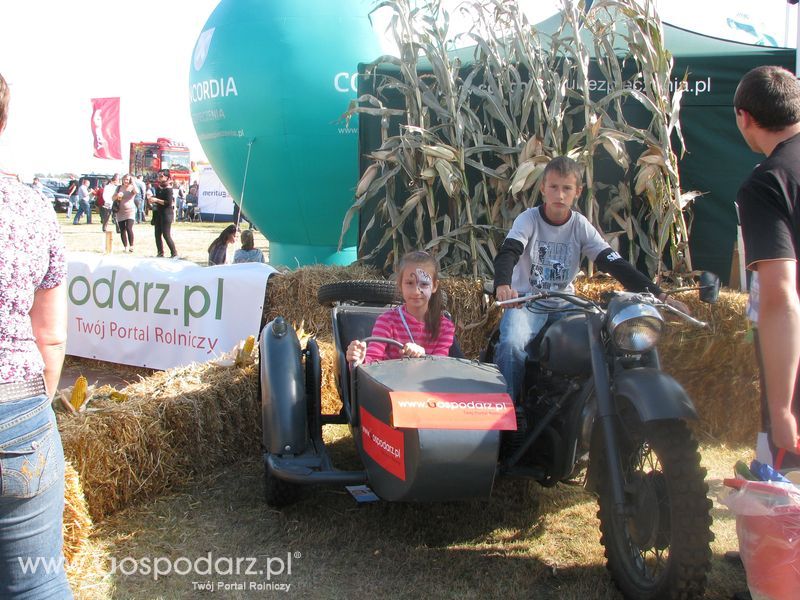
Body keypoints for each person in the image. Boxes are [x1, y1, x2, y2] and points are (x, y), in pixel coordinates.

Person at [493, 155, 688, 402]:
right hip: (527, 302)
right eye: (553, 187)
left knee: (610, 343)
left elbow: (613, 262)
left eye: (567, 188)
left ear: (578, 192)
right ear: (542, 188)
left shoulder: (580, 226)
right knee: (511, 344)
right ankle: (505, 415)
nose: (559, 195)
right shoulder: (528, 219)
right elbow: (509, 252)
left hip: (565, 304)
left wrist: (659, 294)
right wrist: (503, 285)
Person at [0, 71, 72, 598]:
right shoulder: (31, 208)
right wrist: (29, 411)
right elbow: (49, 338)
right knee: (36, 583)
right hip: (18, 408)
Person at [734, 65, 800, 466]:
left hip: (795, 375)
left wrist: (781, 410)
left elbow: (781, 295)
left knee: (780, 518)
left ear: (744, 117)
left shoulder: (768, 183)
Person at [346, 250, 455, 364]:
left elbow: (440, 367)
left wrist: (422, 355)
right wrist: (359, 359)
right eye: (409, 283)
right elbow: (372, 362)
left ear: (434, 286)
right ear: (400, 285)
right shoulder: (387, 321)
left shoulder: (445, 327)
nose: (416, 291)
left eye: (424, 284)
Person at [148, 171, 178, 258]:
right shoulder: (159, 188)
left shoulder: (168, 189)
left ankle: (174, 253)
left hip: (166, 214)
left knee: (166, 234)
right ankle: (160, 253)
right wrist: (151, 199)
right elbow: (157, 198)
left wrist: (156, 200)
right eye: (158, 176)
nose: (159, 178)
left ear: (167, 178)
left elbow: (168, 203)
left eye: (161, 176)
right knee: (157, 234)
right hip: (158, 213)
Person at [114, 174, 138, 253]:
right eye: (125, 179)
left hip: (130, 210)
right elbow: (112, 198)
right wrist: (117, 195)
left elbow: (137, 191)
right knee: (122, 229)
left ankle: (131, 246)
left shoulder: (132, 187)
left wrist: (133, 182)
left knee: (128, 227)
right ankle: (125, 246)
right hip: (120, 211)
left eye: (127, 179)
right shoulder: (119, 188)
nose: (126, 181)